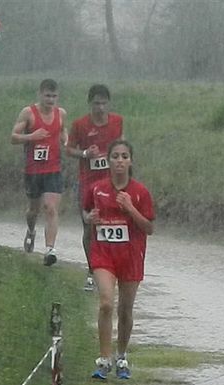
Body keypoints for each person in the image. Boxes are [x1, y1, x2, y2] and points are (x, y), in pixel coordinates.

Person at [82, 139, 155, 380]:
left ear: (131, 161)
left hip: (131, 256)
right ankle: (104, 359)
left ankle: (121, 356)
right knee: (105, 303)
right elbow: (86, 212)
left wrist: (130, 209)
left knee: (125, 310)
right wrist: (90, 218)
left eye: (124, 156)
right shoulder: (97, 188)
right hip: (104, 254)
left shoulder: (140, 192)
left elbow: (149, 227)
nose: (120, 161)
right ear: (109, 161)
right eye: (115, 156)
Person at [67, 84, 125, 291]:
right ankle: (92, 270)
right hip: (88, 184)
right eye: (96, 103)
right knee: (90, 227)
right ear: (90, 103)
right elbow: (69, 149)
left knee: (115, 224)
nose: (100, 108)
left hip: (113, 183)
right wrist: (84, 154)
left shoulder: (117, 122)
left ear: (108, 103)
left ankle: (111, 268)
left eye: (103, 103)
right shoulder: (80, 124)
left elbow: (122, 145)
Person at [11, 79, 68, 266]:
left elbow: (62, 131)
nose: (50, 100)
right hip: (33, 170)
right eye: (47, 96)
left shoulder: (61, 114)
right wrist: (31, 136)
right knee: (33, 210)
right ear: (40, 94)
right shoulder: (28, 113)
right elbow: (13, 137)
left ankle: (50, 249)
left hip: (53, 169)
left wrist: (66, 141)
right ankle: (31, 230)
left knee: (50, 208)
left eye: (54, 96)